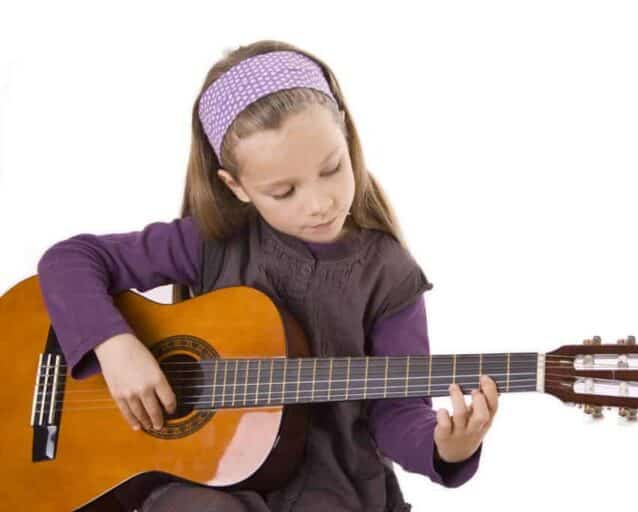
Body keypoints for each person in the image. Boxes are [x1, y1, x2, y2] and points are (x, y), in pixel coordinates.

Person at [37, 40, 499, 512]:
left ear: (346, 134)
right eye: (284, 191)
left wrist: (445, 449)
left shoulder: (390, 274)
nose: (319, 203)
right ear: (235, 186)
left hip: (335, 490)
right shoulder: (211, 242)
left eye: (333, 169)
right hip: (204, 483)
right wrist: (113, 347)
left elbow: (398, 410)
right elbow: (69, 261)